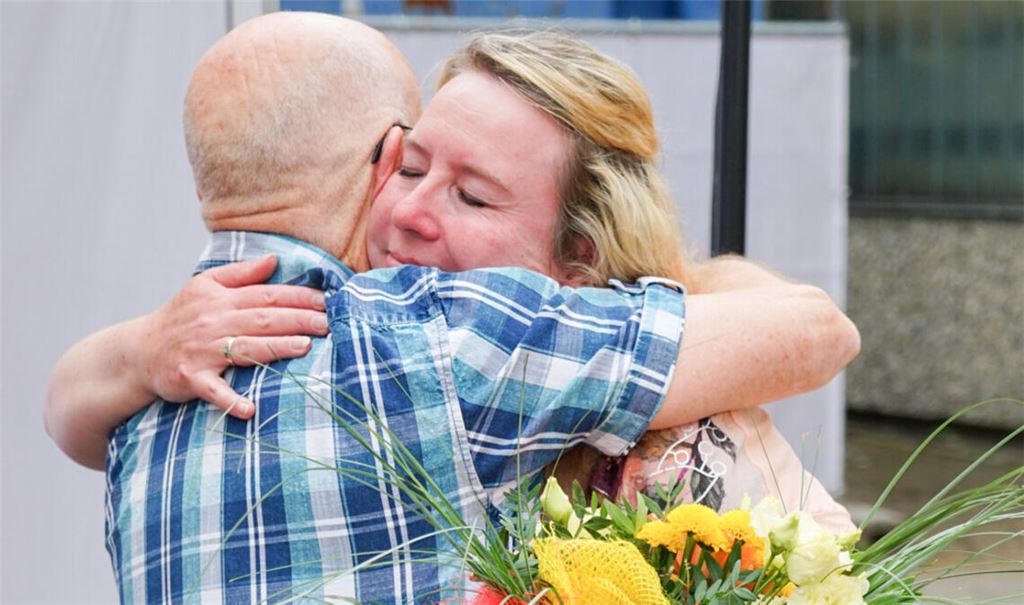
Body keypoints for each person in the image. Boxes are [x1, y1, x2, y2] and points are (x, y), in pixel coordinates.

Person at [45, 15, 859, 604]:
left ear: (580, 261)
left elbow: (63, 409)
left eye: (471, 194)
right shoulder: (439, 340)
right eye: (410, 167)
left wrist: (133, 352)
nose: (410, 214)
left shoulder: (144, 407)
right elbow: (816, 328)